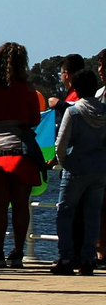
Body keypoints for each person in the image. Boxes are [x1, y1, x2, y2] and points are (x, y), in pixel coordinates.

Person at [0, 41, 41, 268]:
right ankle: (17, 253)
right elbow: (35, 119)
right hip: (21, 149)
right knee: (21, 204)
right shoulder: (26, 87)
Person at [52, 68, 104, 274]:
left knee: (64, 213)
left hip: (76, 168)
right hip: (100, 168)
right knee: (93, 215)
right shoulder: (104, 111)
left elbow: (60, 144)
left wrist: (64, 161)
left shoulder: (73, 111)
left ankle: (66, 258)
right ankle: (88, 260)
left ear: (76, 88)